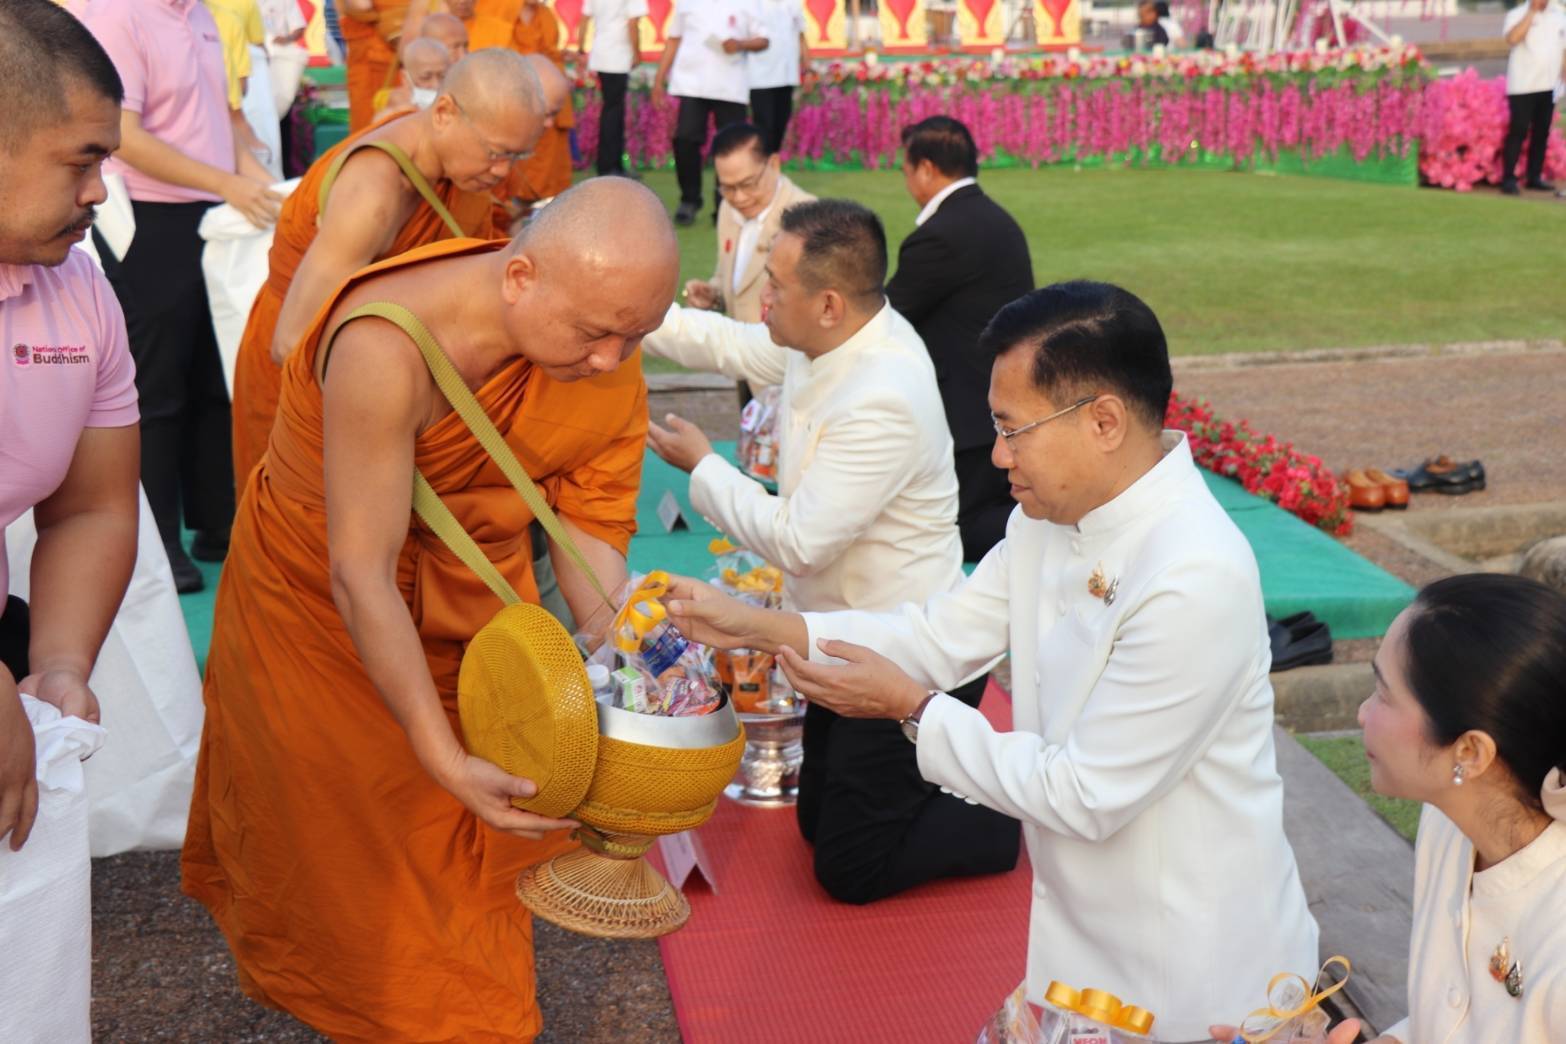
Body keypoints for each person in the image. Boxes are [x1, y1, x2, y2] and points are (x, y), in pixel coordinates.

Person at [662, 281, 1318, 1040]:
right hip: (1087, 946)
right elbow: (939, 635)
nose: (998, 455)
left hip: (1195, 973)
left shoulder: (1194, 572)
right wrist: (759, 627)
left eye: (1014, 429)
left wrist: (912, 709)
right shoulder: (1049, 517)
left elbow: (1086, 793)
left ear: (1104, 421)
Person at [182, 177, 674, 1040]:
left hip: (481, 617)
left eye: (636, 336)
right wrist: (441, 753)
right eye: (596, 333)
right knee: (357, 871)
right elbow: (360, 572)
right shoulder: (384, 346)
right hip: (323, 619)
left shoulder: (600, 336)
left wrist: (632, 666)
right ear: (519, 277)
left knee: (468, 885)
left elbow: (587, 519)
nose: (611, 360)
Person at [645, 200, 1020, 904]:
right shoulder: (827, 337)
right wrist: (632, 311)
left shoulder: (883, 393)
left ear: (827, 304)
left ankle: (1005, 814)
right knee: (816, 821)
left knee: (850, 871)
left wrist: (704, 467)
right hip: (835, 633)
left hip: (902, 650)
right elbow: (728, 344)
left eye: (774, 285)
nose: (762, 298)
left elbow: (800, 543)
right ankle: (935, 776)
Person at [1216, 574, 1566, 1044]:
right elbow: (1449, 1019)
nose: (1362, 713)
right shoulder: (1449, 822)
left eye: (1383, 694)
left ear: (1469, 753)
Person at [228, 48, 540, 486]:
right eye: (495, 152)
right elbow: (292, 341)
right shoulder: (374, 190)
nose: (502, 171)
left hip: (391, 373)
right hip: (315, 387)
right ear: (445, 113)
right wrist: (396, 403)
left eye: (516, 157)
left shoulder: (450, 167)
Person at [79, 0, 284, 594]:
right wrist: (228, 184)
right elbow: (122, 135)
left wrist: (275, 193)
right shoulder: (119, 17)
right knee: (157, 386)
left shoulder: (200, 15)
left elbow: (221, 129)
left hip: (212, 212)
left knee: (214, 377)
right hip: (146, 216)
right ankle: (158, 543)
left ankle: (219, 524)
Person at [0, 0, 138, 845]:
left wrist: (56, 665)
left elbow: (92, 506)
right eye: (81, 162)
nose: (98, 192)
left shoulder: (77, 286)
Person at [888, 116, 1032, 562]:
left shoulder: (939, 235)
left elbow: (885, 319)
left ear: (926, 169)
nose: (906, 181)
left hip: (967, 414)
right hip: (1001, 401)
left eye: (906, 170)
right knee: (991, 510)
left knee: (960, 528)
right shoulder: (997, 219)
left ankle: (1060, 534)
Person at [683, 122, 814, 324]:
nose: (739, 197)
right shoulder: (728, 208)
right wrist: (714, 295)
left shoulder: (808, 220)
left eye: (748, 184)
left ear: (774, 164)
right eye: (727, 188)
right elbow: (728, 276)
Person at [652, 0, 769, 225]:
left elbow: (763, 40)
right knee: (685, 139)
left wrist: (740, 44)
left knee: (731, 148)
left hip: (730, 86)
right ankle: (689, 199)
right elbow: (674, 39)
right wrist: (659, 80)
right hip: (691, 84)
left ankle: (725, 205)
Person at [1500, 0, 1566, 195]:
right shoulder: (1516, 14)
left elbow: (1563, 48)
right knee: (1518, 130)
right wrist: (1531, 13)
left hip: (1549, 84)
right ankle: (1508, 178)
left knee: (1541, 132)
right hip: (1523, 85)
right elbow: (1513, 38)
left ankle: (1534, 176)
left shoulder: (1559, 15)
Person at [580, 0, 647, 176]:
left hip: (601, 53)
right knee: (614, 113)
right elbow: (633, 24)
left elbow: (584, 18)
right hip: (618, 56)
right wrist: (637, 53)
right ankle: (610, 166)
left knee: (611, 110)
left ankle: (611, 164)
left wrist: (580, 49)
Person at [747, 0, 807, 154]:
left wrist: (807, 67)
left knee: (780, 126)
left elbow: (801, 34)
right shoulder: (752, 3)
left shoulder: (794, 3)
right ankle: (762, 166)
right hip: (760, 77)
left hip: (787, 75)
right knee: (763, 128)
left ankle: (772, 164)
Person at [375, 34, 453, 113]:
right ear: (405, 78)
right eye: (426, 78)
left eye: (442, 77)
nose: (436, 85)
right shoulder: (393, 112)